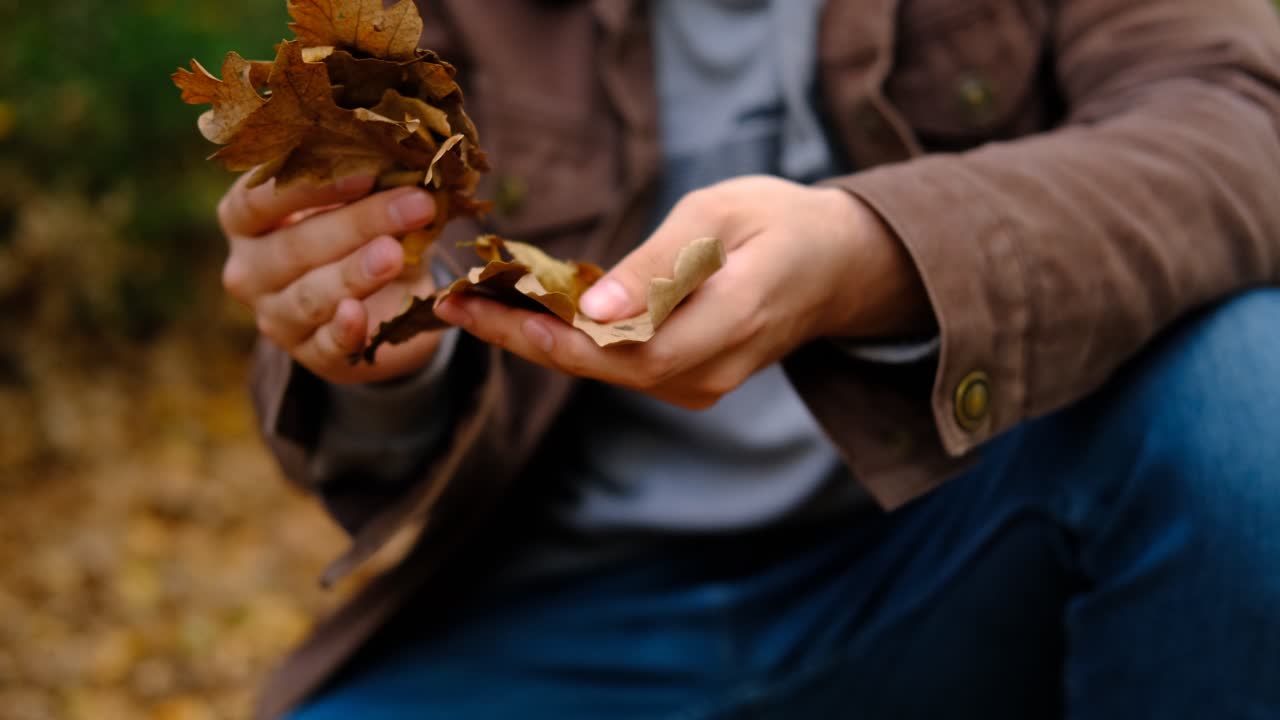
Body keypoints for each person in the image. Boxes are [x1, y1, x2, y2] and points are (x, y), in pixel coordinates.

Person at [216, 0, 1280, 718]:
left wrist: (874, 254)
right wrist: (377, 351)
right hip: (566, 615)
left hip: (952, 554)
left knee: (1244, 384)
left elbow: (1237, 125)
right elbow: (356, 449)